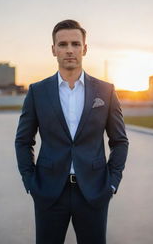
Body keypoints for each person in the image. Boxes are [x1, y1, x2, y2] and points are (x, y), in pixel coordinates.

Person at [15, 19, 129, 244]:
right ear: (53, 50)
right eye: (63, 44)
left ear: (85, 49)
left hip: (94, 192)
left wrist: (112, 182)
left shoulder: (105, 91)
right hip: (48, 192)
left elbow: (120, 141)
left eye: (76, 44)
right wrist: (30, 182)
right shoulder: (37, 92)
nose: (69, 50)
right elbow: (23, 141)